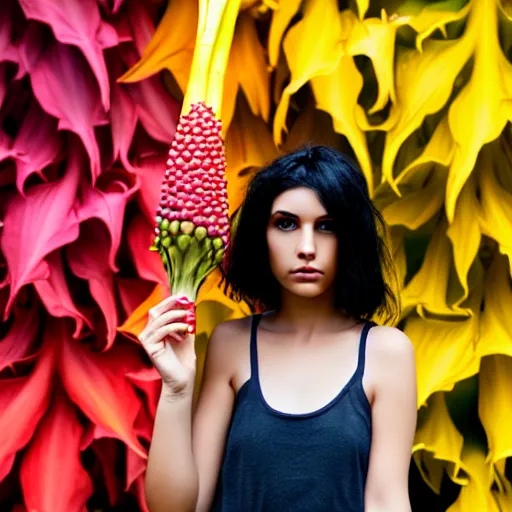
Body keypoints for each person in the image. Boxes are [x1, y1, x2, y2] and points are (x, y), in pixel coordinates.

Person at [139, 145, 418, 512]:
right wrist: (176, 391)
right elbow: (177, 510)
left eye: (327, 226)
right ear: (261, 236)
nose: (306, 247)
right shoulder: (232, 343)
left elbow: (387, 501)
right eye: (286, 223)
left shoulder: (387, 352)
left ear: (351, 238)